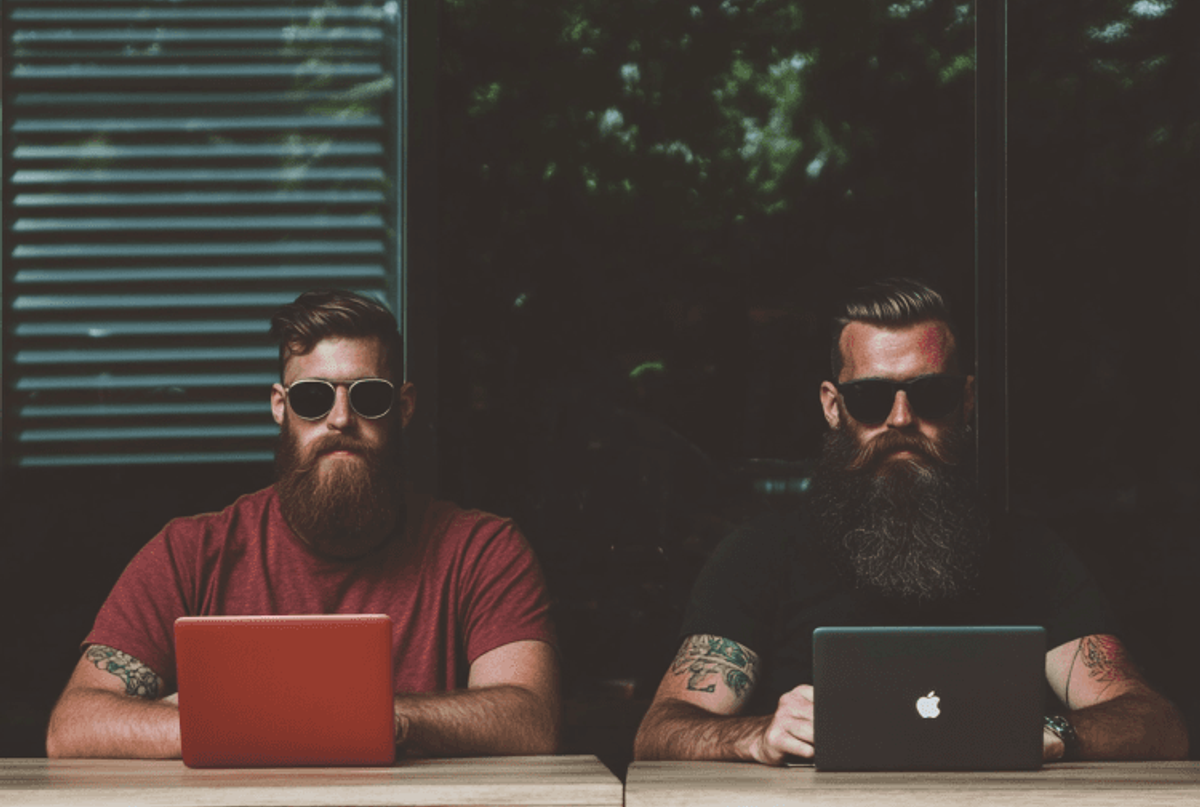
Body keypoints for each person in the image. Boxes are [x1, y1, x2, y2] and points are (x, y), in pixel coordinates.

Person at [633, 277, 1187, 764]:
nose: (902, 418)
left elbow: (1155, 723)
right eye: (871, 397)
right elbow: (660, 730)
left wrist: (1050, 732)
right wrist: (757, 737)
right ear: (833, 406)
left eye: (932, 394)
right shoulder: (758, 556)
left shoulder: (1033, 556)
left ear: (967, 400)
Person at [46, 290, 560, 759]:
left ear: (402, 408)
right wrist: (273, 724)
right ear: (280, 406)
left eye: (368, 397)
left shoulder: (483, 551)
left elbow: (530, 721)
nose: (340, 419)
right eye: (314, 397)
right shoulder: (189, 552)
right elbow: (73, 726)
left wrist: (381, 717)